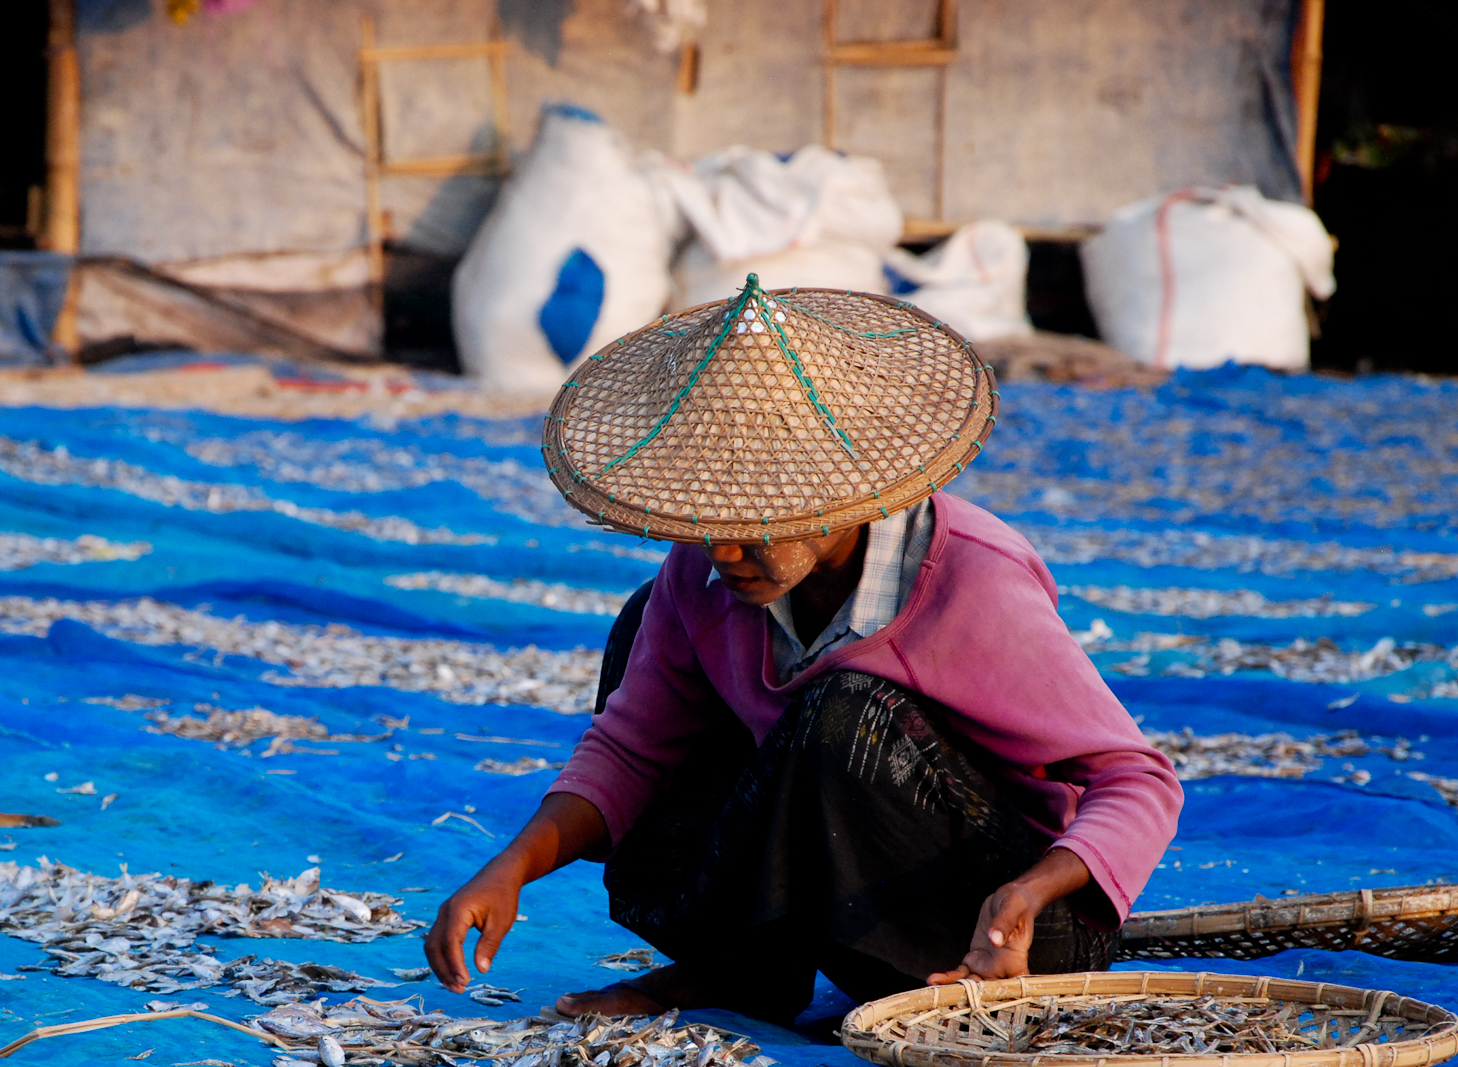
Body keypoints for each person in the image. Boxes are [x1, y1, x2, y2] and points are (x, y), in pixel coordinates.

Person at [424, 277, 1183, 1022]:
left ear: (842, 489)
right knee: (644, 621)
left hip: (1005, 934)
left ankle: (804, 967)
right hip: (847, 908)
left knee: (845, 707)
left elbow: (1137, 780)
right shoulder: (701, 575)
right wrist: (512, 868)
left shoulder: (972, 581)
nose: (723, 550)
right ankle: (739, 972)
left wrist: (1029, 893)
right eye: (707, 518)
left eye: (754, 519)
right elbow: (632, 747)